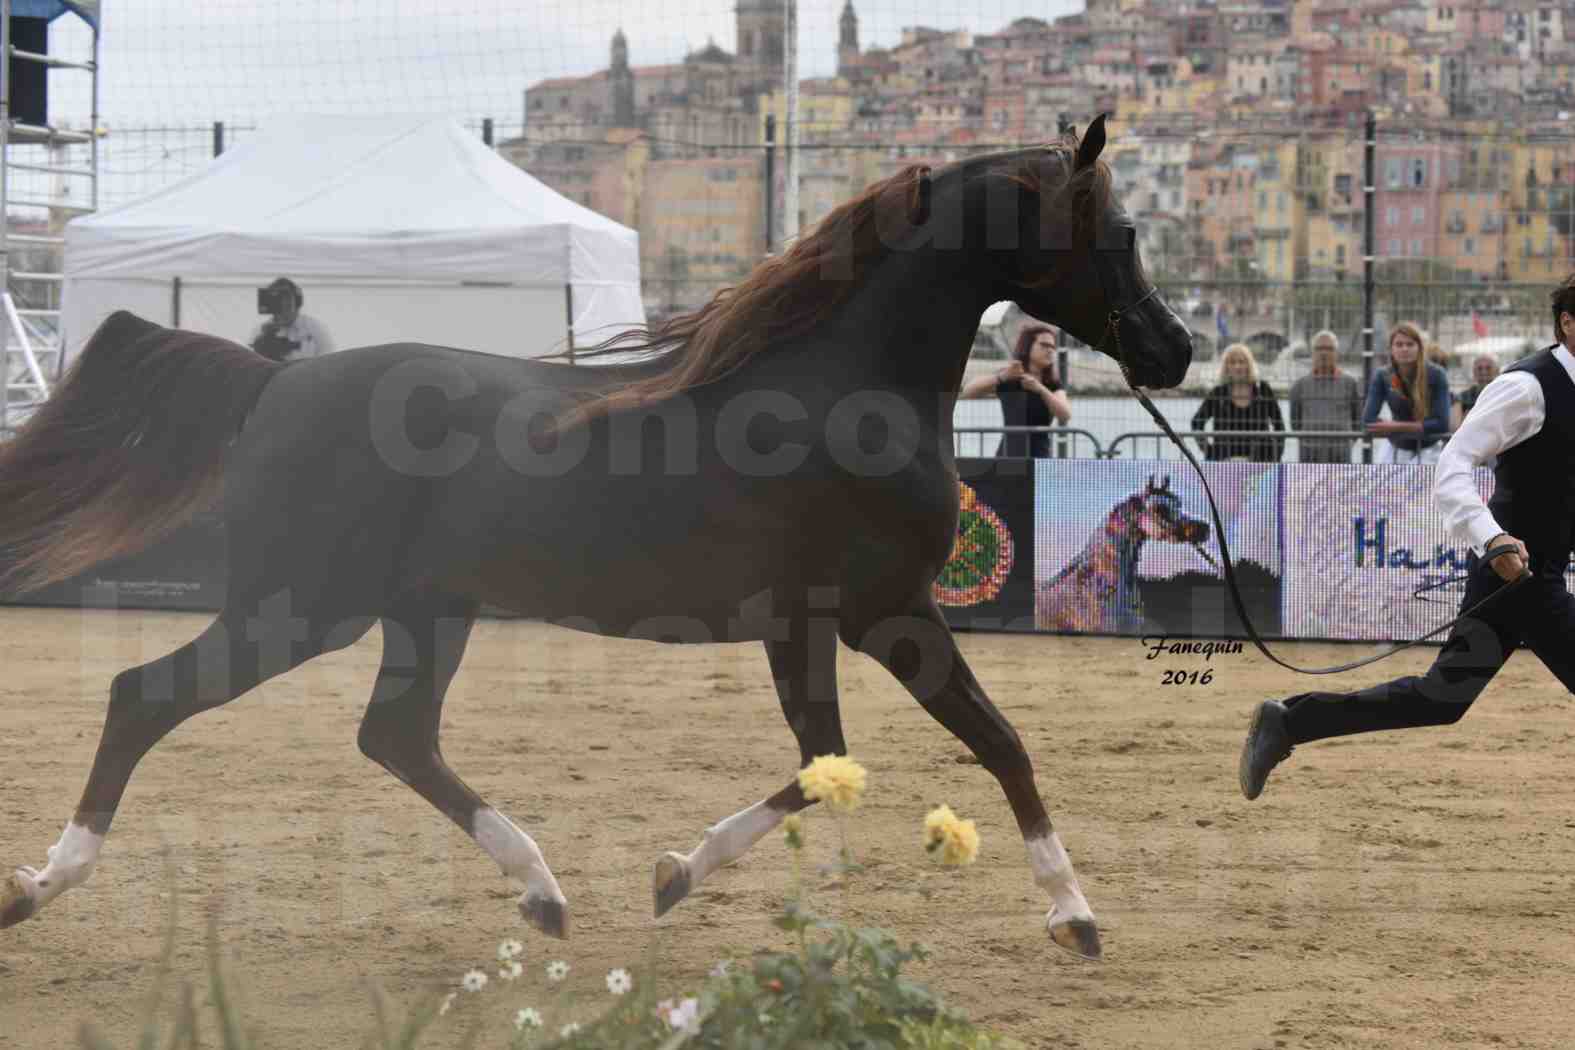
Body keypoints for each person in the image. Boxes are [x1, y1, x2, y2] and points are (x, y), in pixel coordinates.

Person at [1238, 272, 1575, 802]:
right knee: (1442, 698)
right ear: (1567, 323)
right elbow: (1454, 463)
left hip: (1533, 579)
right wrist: (1492, 539)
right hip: (1516, 573)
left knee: (1441, 699)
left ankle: (1290, 722)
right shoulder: (1527, 387)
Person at [960, 323, 1071, 458]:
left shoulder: (1052, 383)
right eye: (1044, 345)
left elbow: (1065, 415)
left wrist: (1040, 389)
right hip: (1008, 456)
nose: (1050, 350)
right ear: (1028, 345)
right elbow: (968, 391)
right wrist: (1002, 377)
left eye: (1053, 347)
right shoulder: (1010, 378)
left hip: (1040, 456)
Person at [1361, 320, 1450, 463]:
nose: (1404, 349)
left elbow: (1441, 423)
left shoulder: (1437, 374)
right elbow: (1368, 420)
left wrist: (1394, 426)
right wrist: (1419, 427)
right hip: (1396, 448)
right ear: (1391, 349)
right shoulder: (1382, 375)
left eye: (1410, 344)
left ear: (1419, 348)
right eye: (1399, 344)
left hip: (1429, 450)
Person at [1190, 343, 1285, 462]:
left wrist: (1276, 454)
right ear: (1226, 367)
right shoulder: (1218, 393)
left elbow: (1279, 425)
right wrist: (1209, 451)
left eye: (1242, 362)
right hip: (1224, 462)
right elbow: (1196, 423)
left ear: (1249, 365)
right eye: (1232, 362)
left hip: (1261, 461)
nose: (1237, 366)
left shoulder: (1263, 390)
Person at [1288, 330, 1363, 463]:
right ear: (1312, 353)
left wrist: (1348, 442)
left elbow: (1357, 419)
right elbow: (1295, 422)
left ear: (1336, 353)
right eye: (1319, 349)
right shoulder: (1299, 386)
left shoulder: (1350, 384)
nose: (1323, 353)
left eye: (1329, 348)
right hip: (1309, 453)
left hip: (1341, 454)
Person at [249, 277, 335, 363]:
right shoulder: (260, 332)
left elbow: (327, 362)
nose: (283, 308)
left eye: (288, 303)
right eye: (278, 303)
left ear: (297, 303)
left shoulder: (315, 329)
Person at [1451, 353, 1501, 429]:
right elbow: (1455, 427)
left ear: (1497, 372)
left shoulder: (1503, 394)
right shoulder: (1462, 397)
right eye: (1479, 368)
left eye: (1488, 368)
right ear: (1474, 372)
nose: (1484, 372)